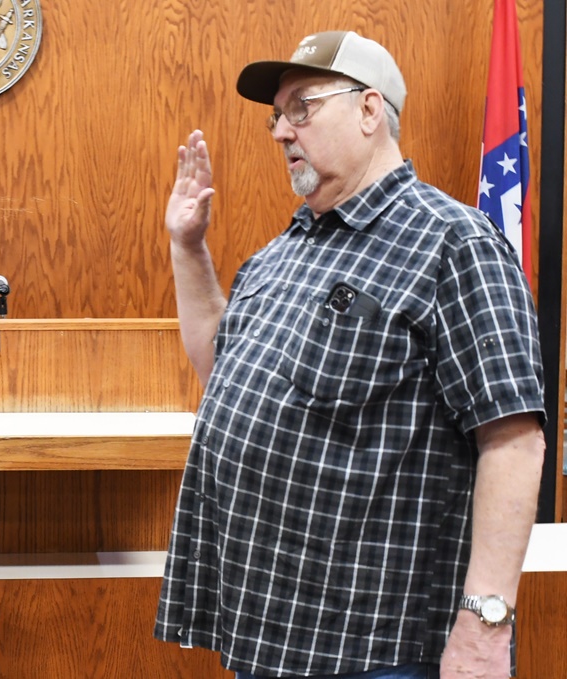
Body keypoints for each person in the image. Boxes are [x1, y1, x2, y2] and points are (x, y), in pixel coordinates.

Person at [155, 31, 545, 679]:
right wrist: (188, 248)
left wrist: (485, 629)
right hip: (270, 628)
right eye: (277, 116)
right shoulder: (282, 252)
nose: (282, 131)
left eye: (302, 107)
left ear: (369, 111)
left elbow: (514, 441)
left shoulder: (453, 243)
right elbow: (222, 375)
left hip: (373, 647)